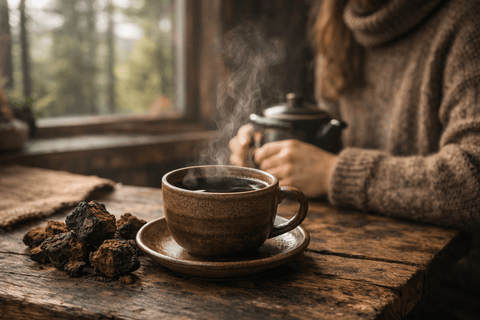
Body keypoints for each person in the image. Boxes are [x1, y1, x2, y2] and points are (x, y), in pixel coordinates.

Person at [229, 0, 480, 233]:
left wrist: (333, 174)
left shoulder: (466, 21)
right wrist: (270, 159)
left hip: (449, 269)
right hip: (354, 242)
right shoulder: (336, 25)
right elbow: (330, 145)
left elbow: (472, 181)